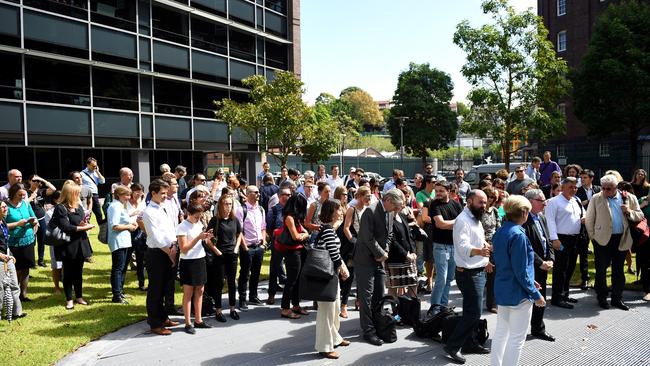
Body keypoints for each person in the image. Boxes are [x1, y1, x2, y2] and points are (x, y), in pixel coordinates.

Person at [490, 195, 546, 366]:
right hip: (518, 292)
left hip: (503, 287)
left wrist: (531, 282)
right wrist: (536, 294)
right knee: (516, 339)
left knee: (501, 334)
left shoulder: (500, 232)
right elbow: (520, 271)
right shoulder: (518, 235)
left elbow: (511, 266)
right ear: (523, 213)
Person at [443, 190, 491, 364]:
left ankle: (470, 343)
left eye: (485, 202)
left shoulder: (474, 217)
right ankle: (452, 346)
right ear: (469, 201)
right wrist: (480, 251)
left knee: (471, 311)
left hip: (477, 270)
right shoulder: (463, 220)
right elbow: (462, 247)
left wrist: (485, 254)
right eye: (481, 202)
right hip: (469, 273)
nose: (484, 206)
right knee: (473, 313)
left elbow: (476, 240)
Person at [585, 175, 644, 311]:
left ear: (616, 187)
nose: (605, 191)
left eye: (609, 189)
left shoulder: (629, 197)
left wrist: (629, 211)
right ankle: (602, 298)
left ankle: (617, 299)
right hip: (601, 240)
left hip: (621, 239)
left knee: (618, 271)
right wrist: (593, 237)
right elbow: (589, 219)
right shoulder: (596, 198)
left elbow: (640, 215)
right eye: (603, 188)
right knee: (600, 271)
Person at [355, 188, 404, 346]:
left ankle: (377, 324)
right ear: (388, 200)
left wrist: (385, 251)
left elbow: (390, 234)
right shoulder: (371, 211)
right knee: (366, 297)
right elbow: (367, 237)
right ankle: (368, 331)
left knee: (379, 295)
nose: (397, 211)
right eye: (396, 207)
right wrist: (380, 252)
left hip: (379, 259)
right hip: (365, 259)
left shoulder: (390, 212)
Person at [141, 179, 180, 336]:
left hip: (169, 250)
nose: (165, 196)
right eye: (162, 193)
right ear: (154, 194)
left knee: (165, 288)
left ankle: (163, 317)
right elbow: (156, 237)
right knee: (155, 291)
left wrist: (174, 248)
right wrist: (170, 253)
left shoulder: (162, 208)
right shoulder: (148, 212)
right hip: (158, 253)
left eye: (166, 192)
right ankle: (155, 323)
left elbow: (169, 230)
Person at [314, 199, 351, 360]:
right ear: (331, 212)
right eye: (338, 209)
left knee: (334, 309)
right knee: (326, 313)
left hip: (330, 275)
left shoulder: (328, 228)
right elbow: (334, 254)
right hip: (327, 275)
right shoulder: (328, 230)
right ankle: (325, 346)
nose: (342, 210)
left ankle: (335, 338)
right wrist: (343, 269)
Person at [51, 181, 94, 309]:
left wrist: (83, 224)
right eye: (76, 193)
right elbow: (66, 227)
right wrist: (83, 228)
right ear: (69, 193)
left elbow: (79, 221)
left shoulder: (78, 206)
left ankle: (79, 297)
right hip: (67, 245)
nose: (79, 195)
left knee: (78, 272)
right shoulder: (60, 208)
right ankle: (69, 299)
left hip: (80, 243)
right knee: (68, 273)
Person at [522, 189, 556, 342]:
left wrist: (550, 259)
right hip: (529, 266)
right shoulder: (523, 220)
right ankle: (519, 331)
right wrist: (540, 262)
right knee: (525, 301)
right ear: (530, 202)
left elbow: (547, 240)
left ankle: (538, 328)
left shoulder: (541, 217)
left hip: (543, 265)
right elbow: (526, 247)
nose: (545, 203)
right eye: (541, 200)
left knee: (541, 298)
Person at [423, 181, 463, 309]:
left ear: (448, 191)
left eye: (441, 191)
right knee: (441, 279)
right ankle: (434, 308)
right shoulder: (434, 204)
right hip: (440, 247)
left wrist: (452, 224)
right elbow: (440, 224)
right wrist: (457, 223)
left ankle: (443, 307)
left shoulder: (456, 204)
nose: (438, 193)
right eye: (437, 191)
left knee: (449, 279)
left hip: (454, 246)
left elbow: (464, 222)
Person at [545, 177, 582, 309]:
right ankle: (557, 297)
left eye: (575, 187)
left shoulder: (576, 200)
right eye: (571, 187)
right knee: (561, 269)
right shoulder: (554, 202)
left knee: (570, 266)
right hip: (561, 239)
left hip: (574, 238)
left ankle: (565, 294)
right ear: (563, 187)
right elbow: (550, 221)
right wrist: (554, 239)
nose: (574, 189)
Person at [176, 204, 213, 334]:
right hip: (188, 262)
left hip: (200, 259)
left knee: (200, 290)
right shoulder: (182, 226)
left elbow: (202, 242)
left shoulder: (198, 224)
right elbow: (184, 249)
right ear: (189, 214)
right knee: (188, 292)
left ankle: (198, 319)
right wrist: (198, 237)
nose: (198, 219)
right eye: (196, 217)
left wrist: (207, 237)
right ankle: (187, 322)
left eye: (200, 216)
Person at [207, 194, 243, 321]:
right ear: (220, 205)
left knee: (232, 283)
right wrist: (216, 251)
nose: (228, 206)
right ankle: (218, 310)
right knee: (219, 283)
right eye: (226, 204)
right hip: (220, 256)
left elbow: (239, 234)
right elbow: (208, 239)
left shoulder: (235, 220)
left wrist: (236, 248)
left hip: (232, 255)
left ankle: (233, 309)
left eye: (230, 204)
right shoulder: (214, 220)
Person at [340, 186, 370, 318]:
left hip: (365, 246)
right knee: (350, 276)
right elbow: (346, 228)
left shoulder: (368, 210)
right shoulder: (352, 209)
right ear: (360, 196)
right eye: (367, 196)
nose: (369, 198)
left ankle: (359, 301)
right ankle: (344, 305)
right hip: (353, 247)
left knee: (362, 275)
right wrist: (354, 241)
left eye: (370, 196)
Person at [278, 194, 310, 319]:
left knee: (298, 280)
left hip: (299, 251)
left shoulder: (295, 218)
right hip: (292, 252)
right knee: (291, 280)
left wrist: (303, 235)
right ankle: (285, 308)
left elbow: (305, 232)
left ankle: (296, 305)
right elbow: (296, 236)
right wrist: (303, 236)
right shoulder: (289, 218)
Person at [5, 183, 39, 302]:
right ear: (13, 193)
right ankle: (13, 294)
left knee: (26, 268)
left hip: (28, 241)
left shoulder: (25, 203)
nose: (22, 197)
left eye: (24, 195)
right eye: (20, 195)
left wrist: (35, 222)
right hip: (13, 243)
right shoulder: (5, 206)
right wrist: (18, 224)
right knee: (16, 269)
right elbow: (2, 225)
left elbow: (33, 216)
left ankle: (23, 295)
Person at [236, 185, 267, 310]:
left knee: (256, 273)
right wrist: (245, 247)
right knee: (244, 274)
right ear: (248, 194)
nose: (258, 194)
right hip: (247, 247)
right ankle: (242, 299)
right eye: (255, 192)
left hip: (259, 246)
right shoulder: (241, 210)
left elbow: (263, 227)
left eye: (258, 192)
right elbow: (239, 231)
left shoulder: (260, 209)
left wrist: (264, 242)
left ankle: (253, 296)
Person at [107, 186, 137, 304]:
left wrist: (130, 223)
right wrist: (129, 226)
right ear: (119, 195)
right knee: (118, 268)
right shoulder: (114, 206)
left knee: (122, 267)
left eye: (129, 195)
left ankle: (120, 291)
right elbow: (114, 226)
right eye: (126, 195)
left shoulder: (120, 205)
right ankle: (116, 295)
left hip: (124, 240)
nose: (128, 198)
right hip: (118, 240)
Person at [386, 189, 418, 298]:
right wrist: (405, 254)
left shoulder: (403, 217)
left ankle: (409, 310)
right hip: (395, 259)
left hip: (409, 258)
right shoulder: (388, 219)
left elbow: (409, 236)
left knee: (414, 283)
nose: (404, 206)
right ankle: (396, 312)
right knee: (393, 287)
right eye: (402, 203)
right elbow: (393, 241)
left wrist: (413, 252)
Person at [265, 186, 291, 304]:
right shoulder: (274, 210)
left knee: (292, 269)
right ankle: (271, 294)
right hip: (278, 244)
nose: (287, 197)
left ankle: (291, 294)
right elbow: (269, 227)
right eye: (285, 194)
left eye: (289, 195)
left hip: (291, 244)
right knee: (274, 269)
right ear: (280, 196)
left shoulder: (292, 210)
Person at [0, 200, 26, 319]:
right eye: (3, 207)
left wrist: (8, 254)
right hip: (0, 258)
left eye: (6, 207)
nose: (5, 209)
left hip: (7, 257)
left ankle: (17, 312)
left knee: (14, 284)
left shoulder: (3, 221)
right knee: (0, 288)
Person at [576, 169, 600, 290]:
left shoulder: (599, 189)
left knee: (599, 253)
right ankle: (584, 278)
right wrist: (590, 201)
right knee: (584, 253)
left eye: (585, 177)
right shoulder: (578, 191)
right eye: (581, 178)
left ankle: (599, 279)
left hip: (598, 225)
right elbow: (578, 204)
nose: (582, 180)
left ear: (591, 178)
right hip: (583, 225)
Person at [26, 174, 55, 267]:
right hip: (31, 220)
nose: (37, 183)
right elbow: (23, 203)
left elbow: (53, 189)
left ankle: (41, 260)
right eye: (35, 181)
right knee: (31, 242)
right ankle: (31, 262)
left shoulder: (41, 192)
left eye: (38, 181)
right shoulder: (26, 192)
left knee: (42, 241)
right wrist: (32, 197)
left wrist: (41, 178)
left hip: (42, 219)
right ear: (29, 181)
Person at [481, 186, 501, 313]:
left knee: (493, 275)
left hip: (494, 244)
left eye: (494, 197)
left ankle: (492, 303)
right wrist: (485, 244)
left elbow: (498, 227)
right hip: (481, 244)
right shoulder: (480, 211)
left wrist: (497, 242)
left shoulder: (495, 211)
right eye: (490, 197)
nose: (492, 200)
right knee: (482, 275)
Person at [415, 175, 436, 285]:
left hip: (435, 224)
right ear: (427, 183)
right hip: (426, 225)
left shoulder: (435, 193)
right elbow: (421, 209)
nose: (435, 184)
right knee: (427, 254)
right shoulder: (420, 194)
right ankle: (428, 279)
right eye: (433, 182)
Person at [127, 183, 147, 291]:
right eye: (136, 191)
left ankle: (141, 283)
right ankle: (119, 286)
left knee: (141, 258)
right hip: (129, 230)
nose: (138, 194)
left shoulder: (144, 202)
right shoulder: (126, 202)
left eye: (140, 191)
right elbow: (123, 216)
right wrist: (133, 214)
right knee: (127, 258)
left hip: (141, 231)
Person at [81, 157, 106, 224]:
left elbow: (103, 181)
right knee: (87, 215)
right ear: (88, 165)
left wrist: (97, 171)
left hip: (95, 195)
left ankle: (102, 233)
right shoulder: (82, 174)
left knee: (99, 214)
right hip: (86, 196)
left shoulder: (96, 173)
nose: (94, 167)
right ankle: (85, 232)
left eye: (96, 165)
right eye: (93, 166)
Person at [637, 191, 650, 302]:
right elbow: (634, 214)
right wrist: (642, 206)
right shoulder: (642, 200)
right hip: (645, 237)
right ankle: (647, 290)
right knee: (645, 263)